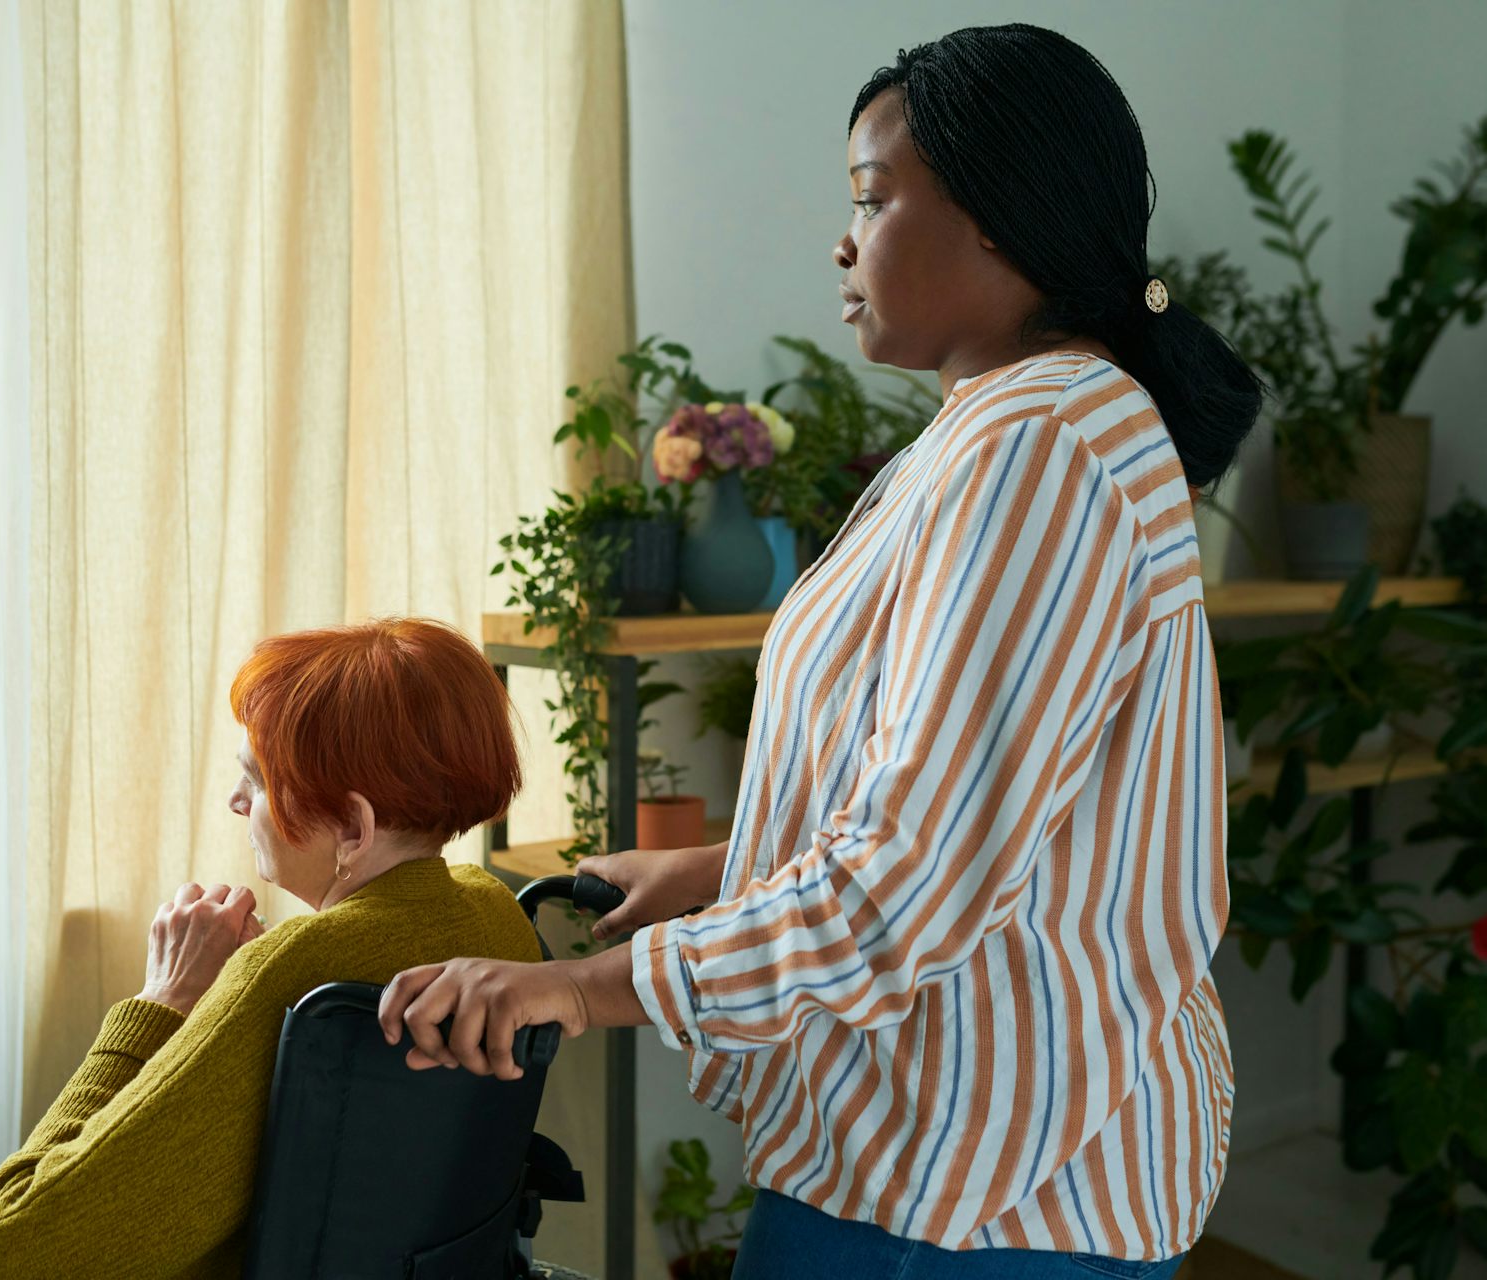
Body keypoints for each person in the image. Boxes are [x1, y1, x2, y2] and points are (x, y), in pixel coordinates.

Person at [377, 24, 1258, 1280]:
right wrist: (718, 867)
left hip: (975, 1190)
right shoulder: (1007, 431)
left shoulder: (1041, 449)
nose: (843, 243)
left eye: (872, 198)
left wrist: (577, 989)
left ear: (1002, 218)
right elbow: (989, 816)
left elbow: (913, 877)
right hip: (950, 1159)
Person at [0, 618, 540, 1280]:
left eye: (258, 781)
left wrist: (164, 999)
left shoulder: (290, 971)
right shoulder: (500, 921)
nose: (237, 801)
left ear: (353, 829)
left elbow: (20, 1248)